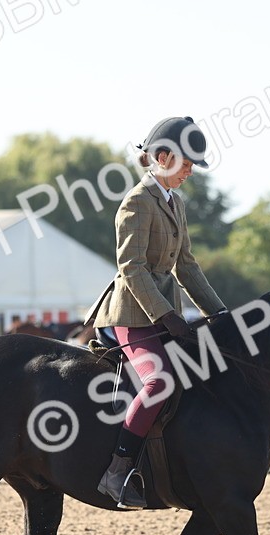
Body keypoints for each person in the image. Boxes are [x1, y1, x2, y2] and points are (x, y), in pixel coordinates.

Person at [85, 116, 227, 509]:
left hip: (165, 313)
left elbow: (187, 266)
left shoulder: (176, 204)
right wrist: (165, 314)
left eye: (192, 165)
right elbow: (131, 268)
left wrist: (220, 314)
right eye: (185, 163)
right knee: (160, 382)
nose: (189, 171)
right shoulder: (136, 202)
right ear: (161, 157)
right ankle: (117, 469)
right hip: (133, 314)